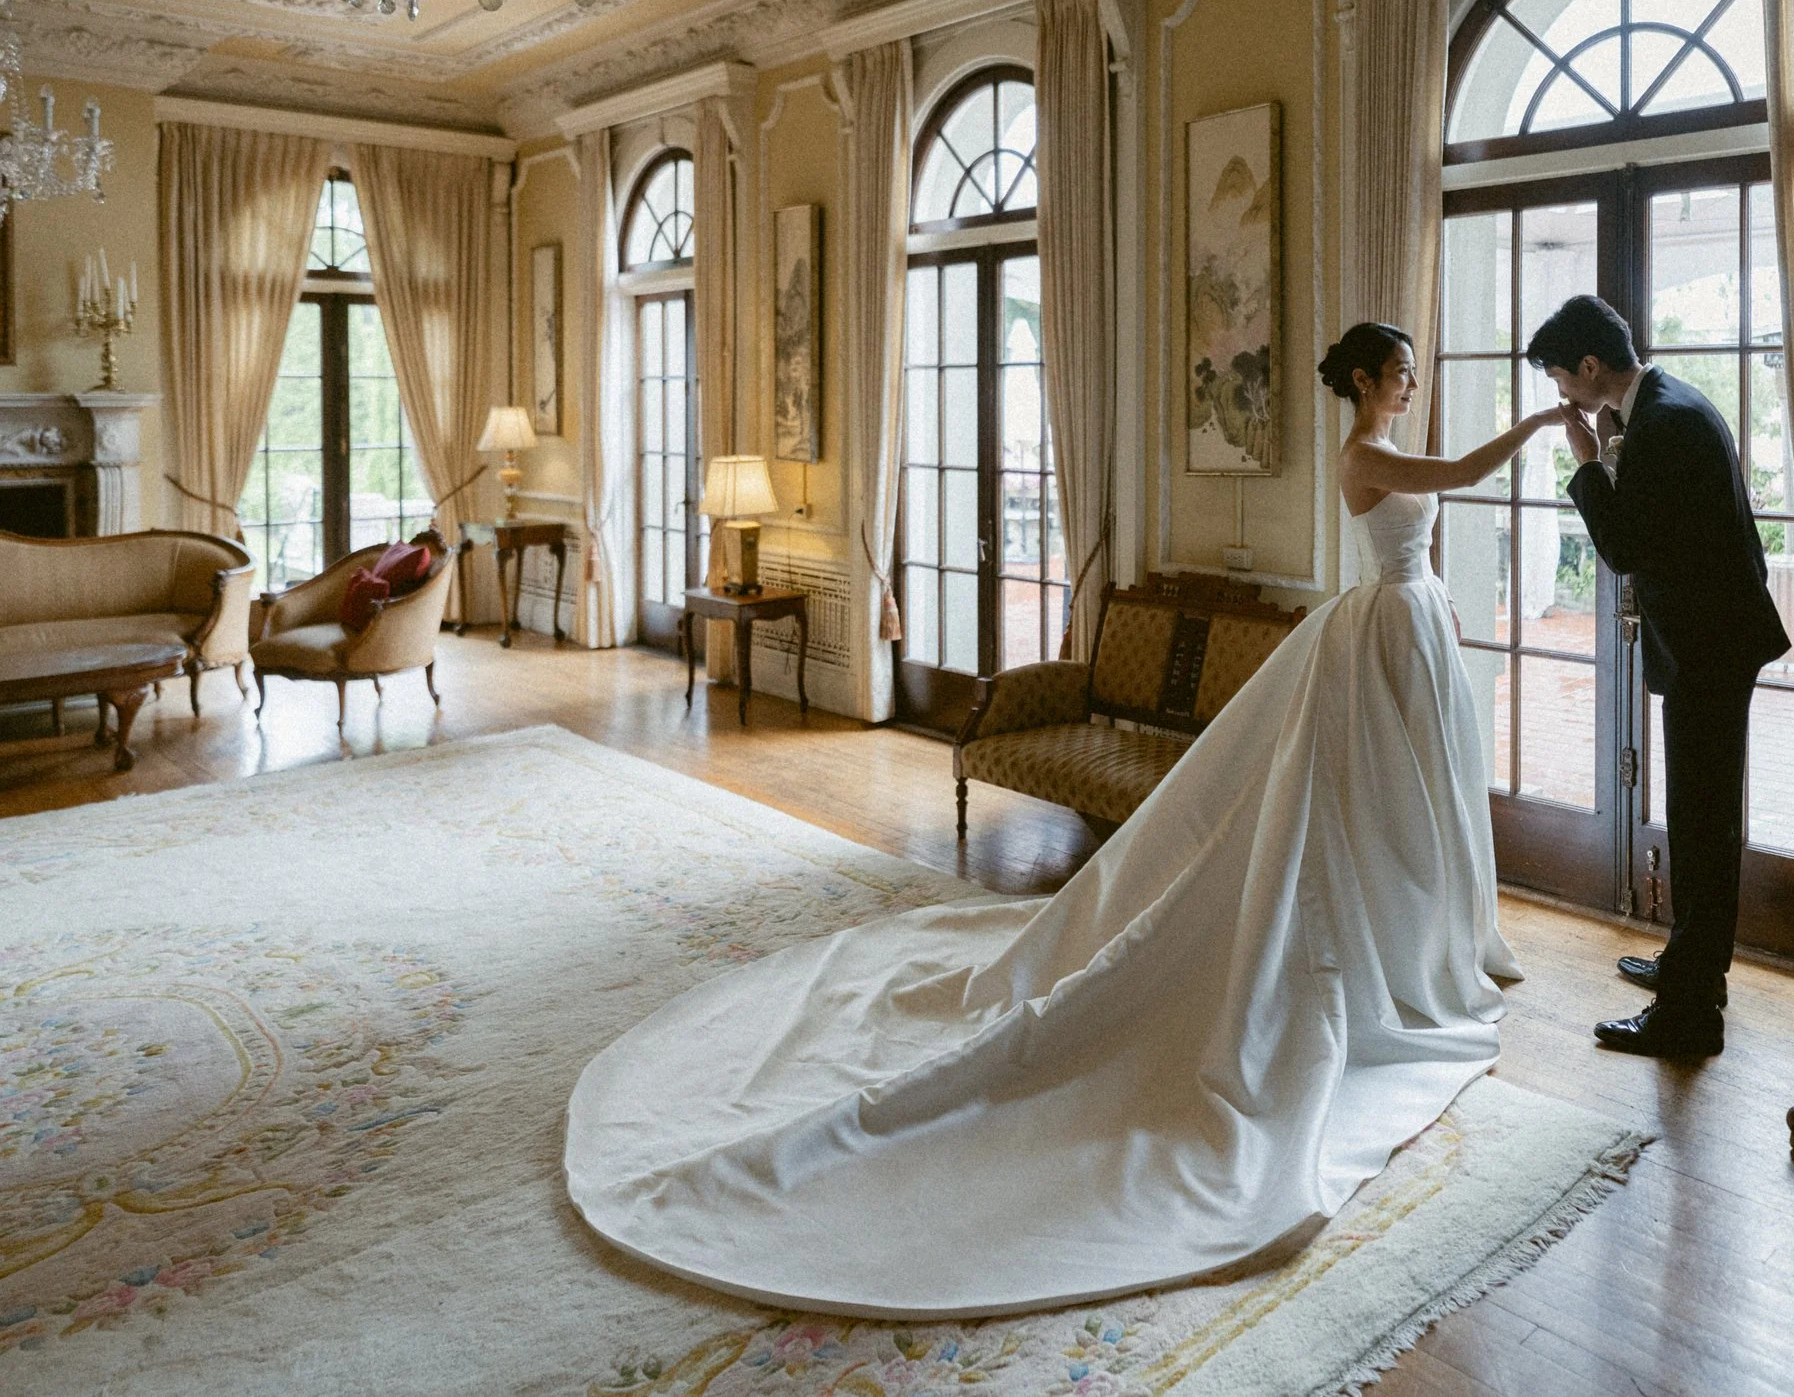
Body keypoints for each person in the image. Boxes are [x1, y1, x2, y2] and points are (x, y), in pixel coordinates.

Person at [563, 321, 1566, 1319]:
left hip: (1412, 617)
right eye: (1399, 370)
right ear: (1359, 380)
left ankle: (1422, 936)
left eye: (1411, 370)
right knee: (1355, 801)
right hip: (1385, 623)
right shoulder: (1365, 451)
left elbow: (1442, 490)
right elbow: (1468, 464)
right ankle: (1369, 944)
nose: (1409, 379)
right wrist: (1540, 422)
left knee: (1407, 791)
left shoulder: (1387, 447)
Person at [1526, 294, 1792, 1059]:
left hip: (1708, 648)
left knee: (1703, 827)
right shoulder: (1670, 403)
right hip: (1712, 644)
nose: (1562, 397)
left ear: (1588, 365)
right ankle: (1690, 967)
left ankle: (1690, 1014)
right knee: (1700, 820)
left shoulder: (1664, 422)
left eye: (1561, 378)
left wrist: (1586, 467)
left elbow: (1625, 546)